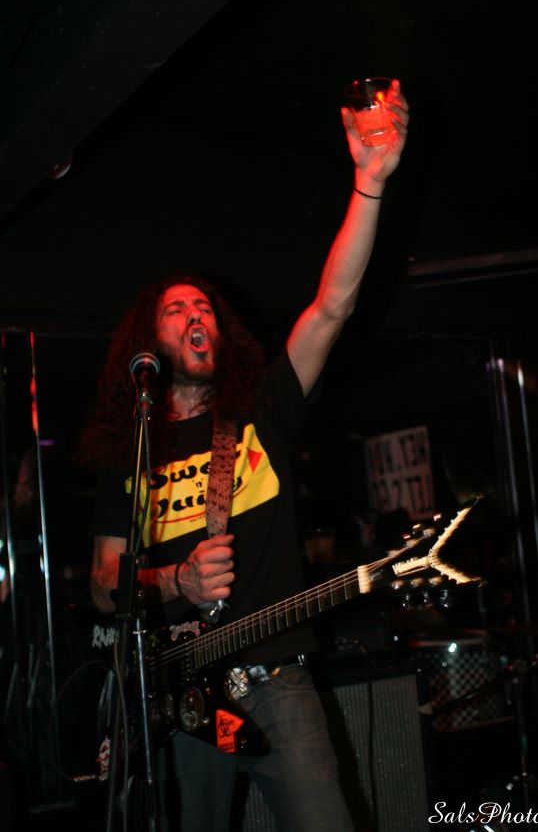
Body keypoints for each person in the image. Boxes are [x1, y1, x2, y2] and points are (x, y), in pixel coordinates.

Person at [84, 81, 409, 831]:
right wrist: (176, 579)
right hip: (176, 696)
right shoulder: (133, 450)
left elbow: (332, 306)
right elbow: (104, 585)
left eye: (204, 307)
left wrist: (369, 184)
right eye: (177, 309)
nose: (195, 314)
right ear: (149, 340)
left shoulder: (261, 408)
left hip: (274, 680)